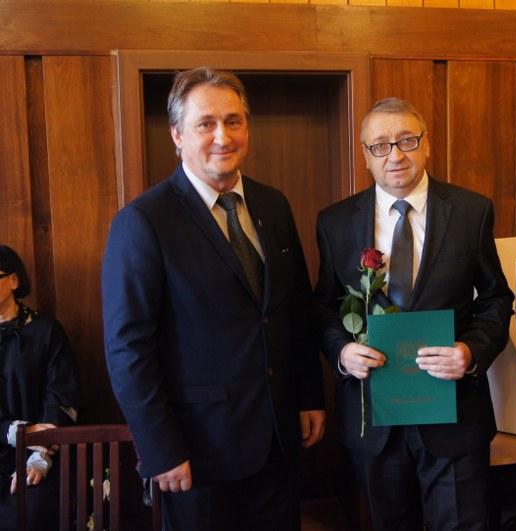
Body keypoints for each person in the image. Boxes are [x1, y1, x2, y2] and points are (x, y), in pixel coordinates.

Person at [102, 67, 325, 531]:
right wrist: (160, 448)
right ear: (177, 135)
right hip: (197, 454)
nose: (223, 136)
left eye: (233, 121)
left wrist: (308, 395)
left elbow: (294, 311)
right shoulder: (144, 221)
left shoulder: (273, 205)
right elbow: (128, 350)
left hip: (278, 443)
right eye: (206, 123)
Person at [314, 97, 514, 530]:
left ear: (427, 145)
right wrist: (342, 353)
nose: (395, 155)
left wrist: (471, 351)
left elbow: (496, 298)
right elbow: (323, 307)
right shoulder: (335, 222)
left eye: (407, 140)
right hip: (374, 418)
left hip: (453, 413)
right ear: (366, 155)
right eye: (381, 145)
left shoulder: (471, 211)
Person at [0, 245, 80, 531]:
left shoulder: (46, 331)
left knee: (31, 514)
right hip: (6, 440)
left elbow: (62, 397)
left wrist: (40, 455)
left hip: (38, 453)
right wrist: (17, 432)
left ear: (13, 280)